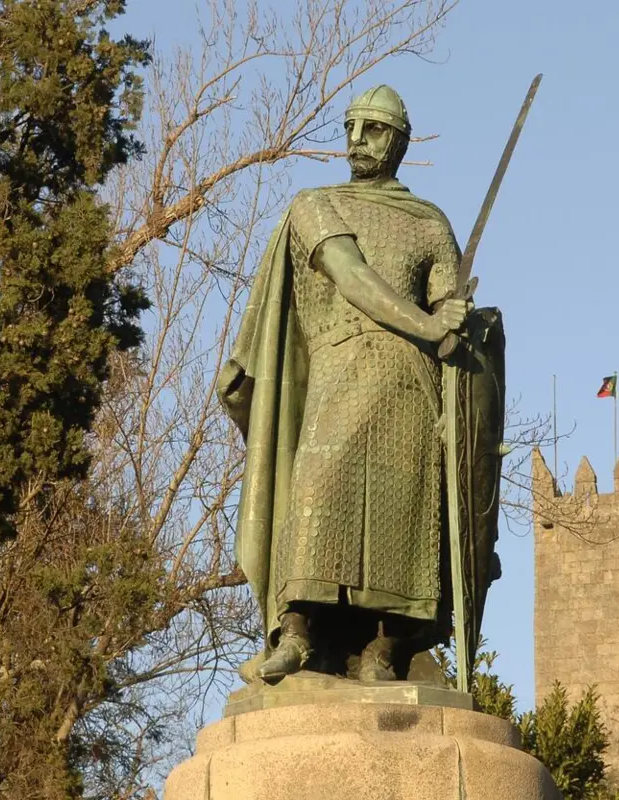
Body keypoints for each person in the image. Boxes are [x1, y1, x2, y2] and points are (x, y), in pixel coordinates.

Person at [218, 85, 470, 682]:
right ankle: (298, 634)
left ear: (400, 141)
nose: (357, 140)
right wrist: (431, 324)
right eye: (351, 126)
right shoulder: (315, 205)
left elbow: (448, 306)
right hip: (338, 375)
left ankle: (386, 650)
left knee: (403, 517)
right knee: (317, 494)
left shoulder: (430, 224)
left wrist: (459, 325)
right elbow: (353, 279)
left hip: (411, 386)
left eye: (374, 129)